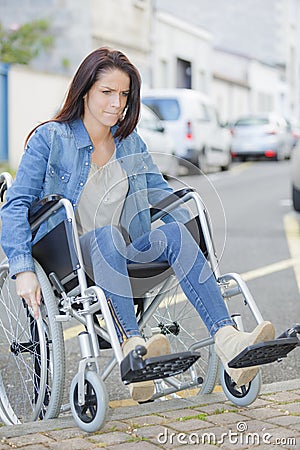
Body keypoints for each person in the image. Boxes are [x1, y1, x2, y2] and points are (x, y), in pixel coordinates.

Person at [0, 47, 275, 402]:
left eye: (124, 94)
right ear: (84, 91)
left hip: (126, 254)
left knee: (173, 229)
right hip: (70, 261)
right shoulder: (51, 139)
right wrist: (22, 268)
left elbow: (160, 197)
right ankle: (133, 347)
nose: (117, 103)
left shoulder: (130, 143)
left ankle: (229, 343)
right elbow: (16, 205)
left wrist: (190, 244)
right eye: (107, 92)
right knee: (106, 236)